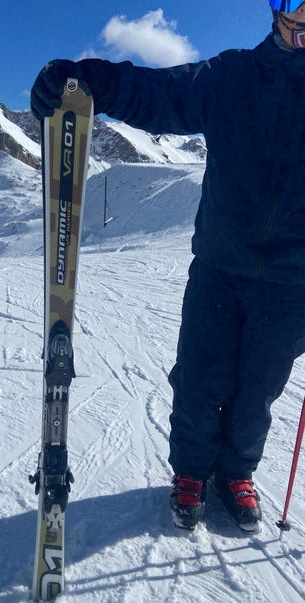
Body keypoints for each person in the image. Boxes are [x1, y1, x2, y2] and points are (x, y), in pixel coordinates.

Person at [30, 1, 305, 532]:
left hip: (294, 282)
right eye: (294, 3)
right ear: (276, 9)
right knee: (201, 377)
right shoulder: (233, 76)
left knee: (259, 389)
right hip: (221, 266)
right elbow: (160, 94)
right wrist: (88, 80)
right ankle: (192, 472)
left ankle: (237, 472)